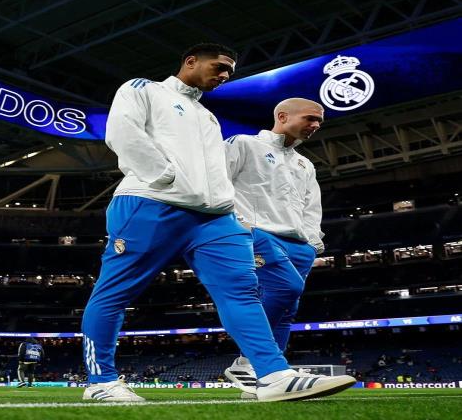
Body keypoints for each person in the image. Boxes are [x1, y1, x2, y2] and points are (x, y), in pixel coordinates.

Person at [81, 44, 354, 403]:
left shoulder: (207, 116)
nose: (225, 75)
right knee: (115, 292)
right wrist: (162, 176)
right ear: (190, 61)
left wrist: (224, 203)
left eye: (229, 71)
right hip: (151, 203)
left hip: (215, 217)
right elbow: (122, 132)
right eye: (220, 67)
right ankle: (101, 381)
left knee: (242, 291)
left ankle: (271, 374)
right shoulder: (144, 88)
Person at [223, 98, 336, 396]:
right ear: (283, 116)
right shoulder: (244, 144)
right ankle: (249, 362)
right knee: (287, 288)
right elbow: (217, 181)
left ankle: (268, 377)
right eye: (310, 118)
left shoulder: (304, 163)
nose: (316, 125)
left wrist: (311, 245)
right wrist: (240, 225)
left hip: (299, 244)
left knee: (288, 309)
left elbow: (311, 207)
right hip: (257, 232)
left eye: (319, 121)